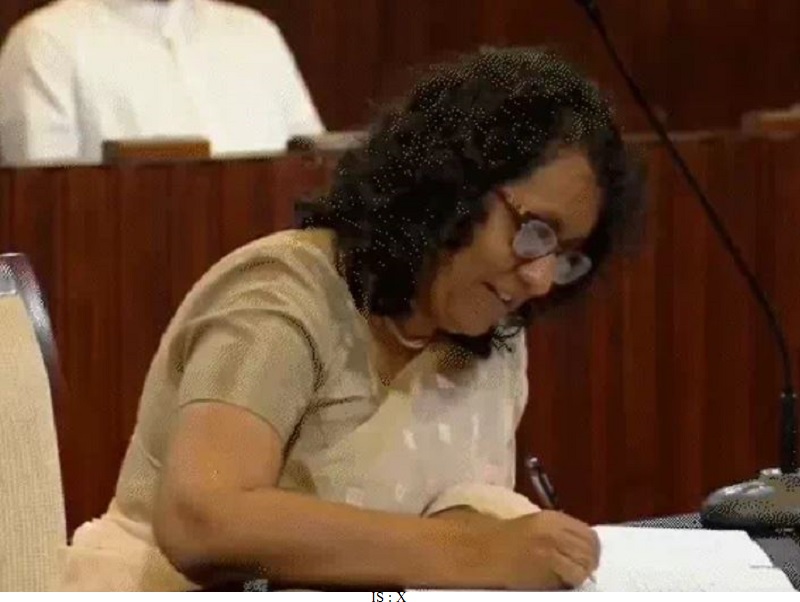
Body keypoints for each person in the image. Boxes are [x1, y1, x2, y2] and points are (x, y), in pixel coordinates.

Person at [55, 46, 645, 591]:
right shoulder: (283, 292)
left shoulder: (493, 326)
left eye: (566, 256)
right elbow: (202, 518)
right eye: (534, 232)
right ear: (452, 184)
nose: (540, 278)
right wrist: (475, 550)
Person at [0, 0, 324, 165]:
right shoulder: (46, 42)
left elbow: (319, 170)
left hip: (272, 270)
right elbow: (48, 206)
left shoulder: (256, 35)